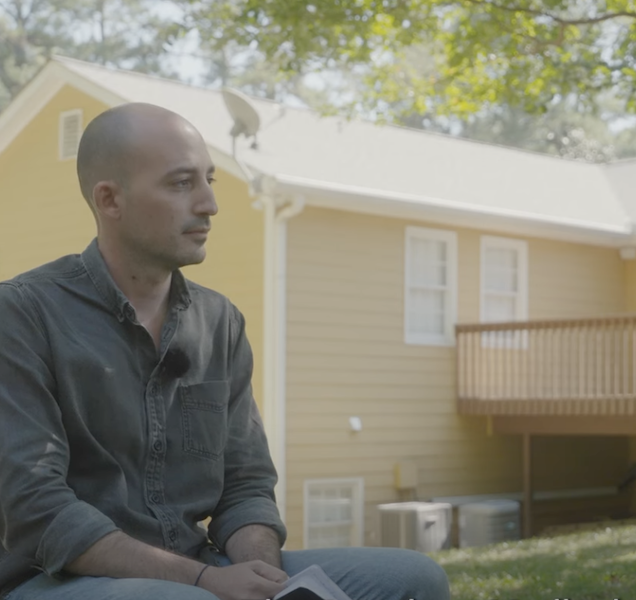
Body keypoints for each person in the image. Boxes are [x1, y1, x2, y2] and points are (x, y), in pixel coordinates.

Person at [0, 103, 451, 600]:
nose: (210, 203)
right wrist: (204, 581)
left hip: (206, 570)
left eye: (209, 180)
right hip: (61, 581)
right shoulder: (22, 314)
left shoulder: (220, 322)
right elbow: (38, 509)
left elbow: (246, 483)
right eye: (180, 184)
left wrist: (266, 582)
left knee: (413, 579)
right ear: (110, 199)